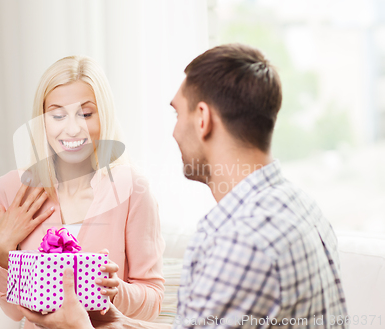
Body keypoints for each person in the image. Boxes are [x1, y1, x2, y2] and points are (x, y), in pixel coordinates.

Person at [19, 44, 349, 329]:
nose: (174, 132)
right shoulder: (301, 206)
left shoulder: (235, 240)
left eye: (177, 113)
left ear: (202, 119)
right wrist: (121, 322)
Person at [0, 56, 165, 329]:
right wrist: (2, 255)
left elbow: (153, 302)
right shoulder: (13, 189)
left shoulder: (132, 188)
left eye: (86, 114)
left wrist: (115, 290)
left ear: (103, 115)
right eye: (58, 115)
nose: (72, 129)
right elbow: (14, 314)